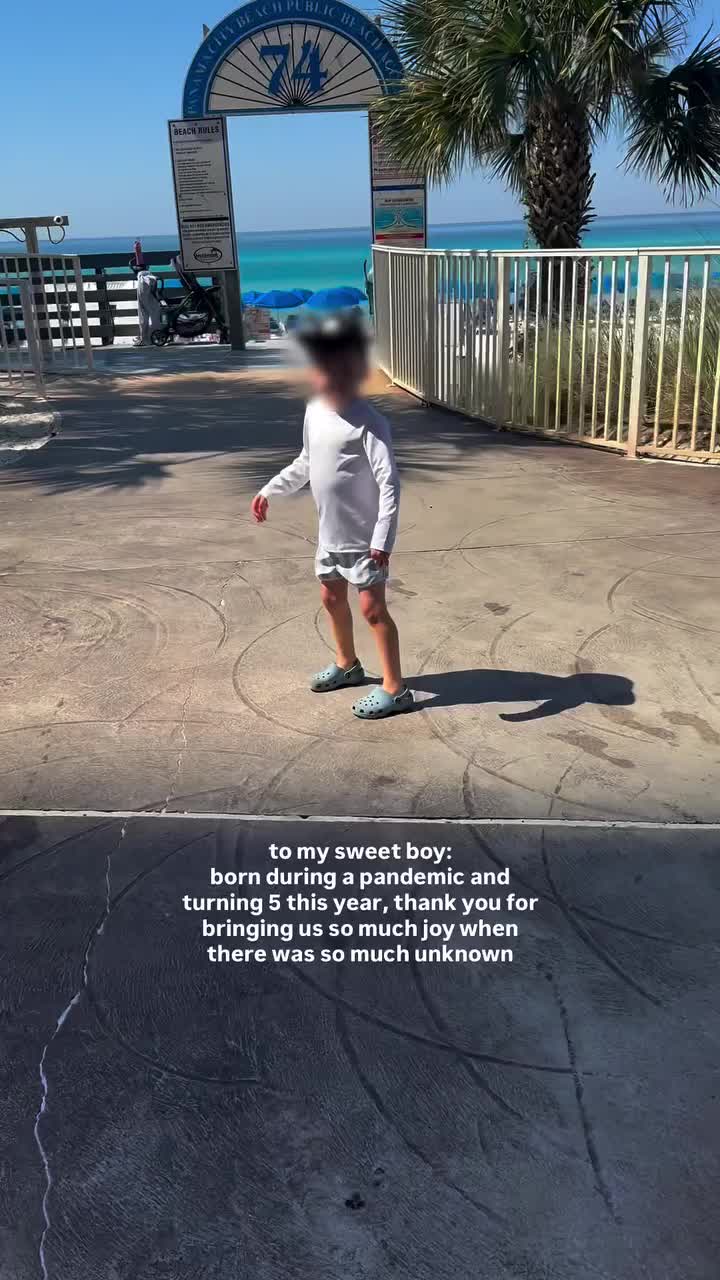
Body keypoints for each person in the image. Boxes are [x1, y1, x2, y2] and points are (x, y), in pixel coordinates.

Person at [251, 313, 413, 721]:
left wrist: (382, 540)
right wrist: (270, 489)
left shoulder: (370, 423)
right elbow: (305, 461)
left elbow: (390, 484)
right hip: (329, 536)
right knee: (331, 598)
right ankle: (347, 664)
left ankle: (395, 688)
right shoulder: (315, 411)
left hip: (364, 542)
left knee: (373, 610)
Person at [129, 260, 164, 346]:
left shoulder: (142, 277)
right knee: (154, 311)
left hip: (143, 283)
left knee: (143, 313)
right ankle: (153, 336)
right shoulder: (148, 276)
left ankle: (146, 338)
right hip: (149, 282)